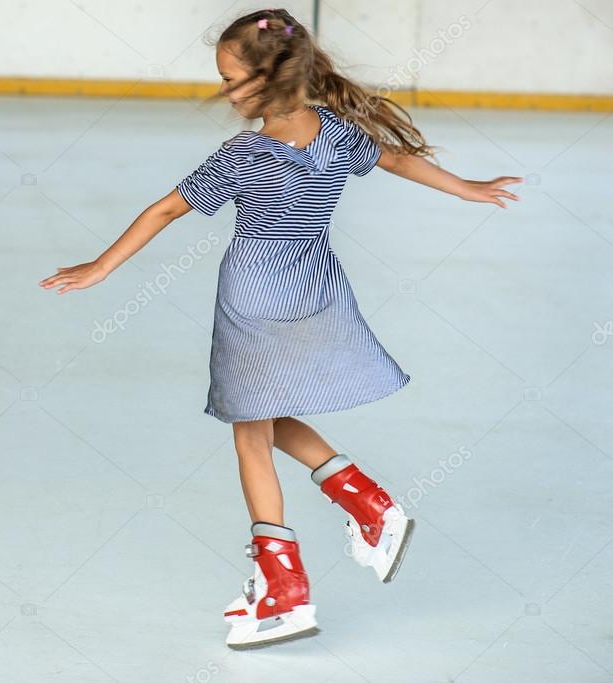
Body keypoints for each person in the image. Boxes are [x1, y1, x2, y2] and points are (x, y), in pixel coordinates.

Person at [38, 8, 521, 649]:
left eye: (231, 80)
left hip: (254, 297)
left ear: (265, 81)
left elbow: (165, 209)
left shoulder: (244, 154)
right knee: (268, 410)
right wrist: (467, 189)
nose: (227, 92)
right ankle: (367, 503)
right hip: (316, 288)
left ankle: (285, 588)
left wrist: (102, 266)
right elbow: (399, 163)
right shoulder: (338, 135)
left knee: (249, 436)